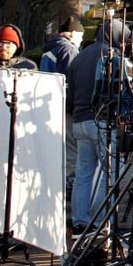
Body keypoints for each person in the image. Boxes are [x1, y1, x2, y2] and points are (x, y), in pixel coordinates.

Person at [67, 19, 130, 233]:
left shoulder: (79, 56)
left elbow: (70, 95)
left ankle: (79, 220)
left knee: (83, 173)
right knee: (111, 171)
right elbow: (123, 95)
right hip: (102, 123)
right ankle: (101, 220)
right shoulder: (113, 57)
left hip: (79, 122)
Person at [41, 16, 84, 206]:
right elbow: (71, 80)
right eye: (80, 36)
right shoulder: (68, 49)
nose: (81, 40)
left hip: (51, 106)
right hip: (66, 109)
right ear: (73, 33)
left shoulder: (50, 48)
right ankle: (70, 191)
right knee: (73, 154)